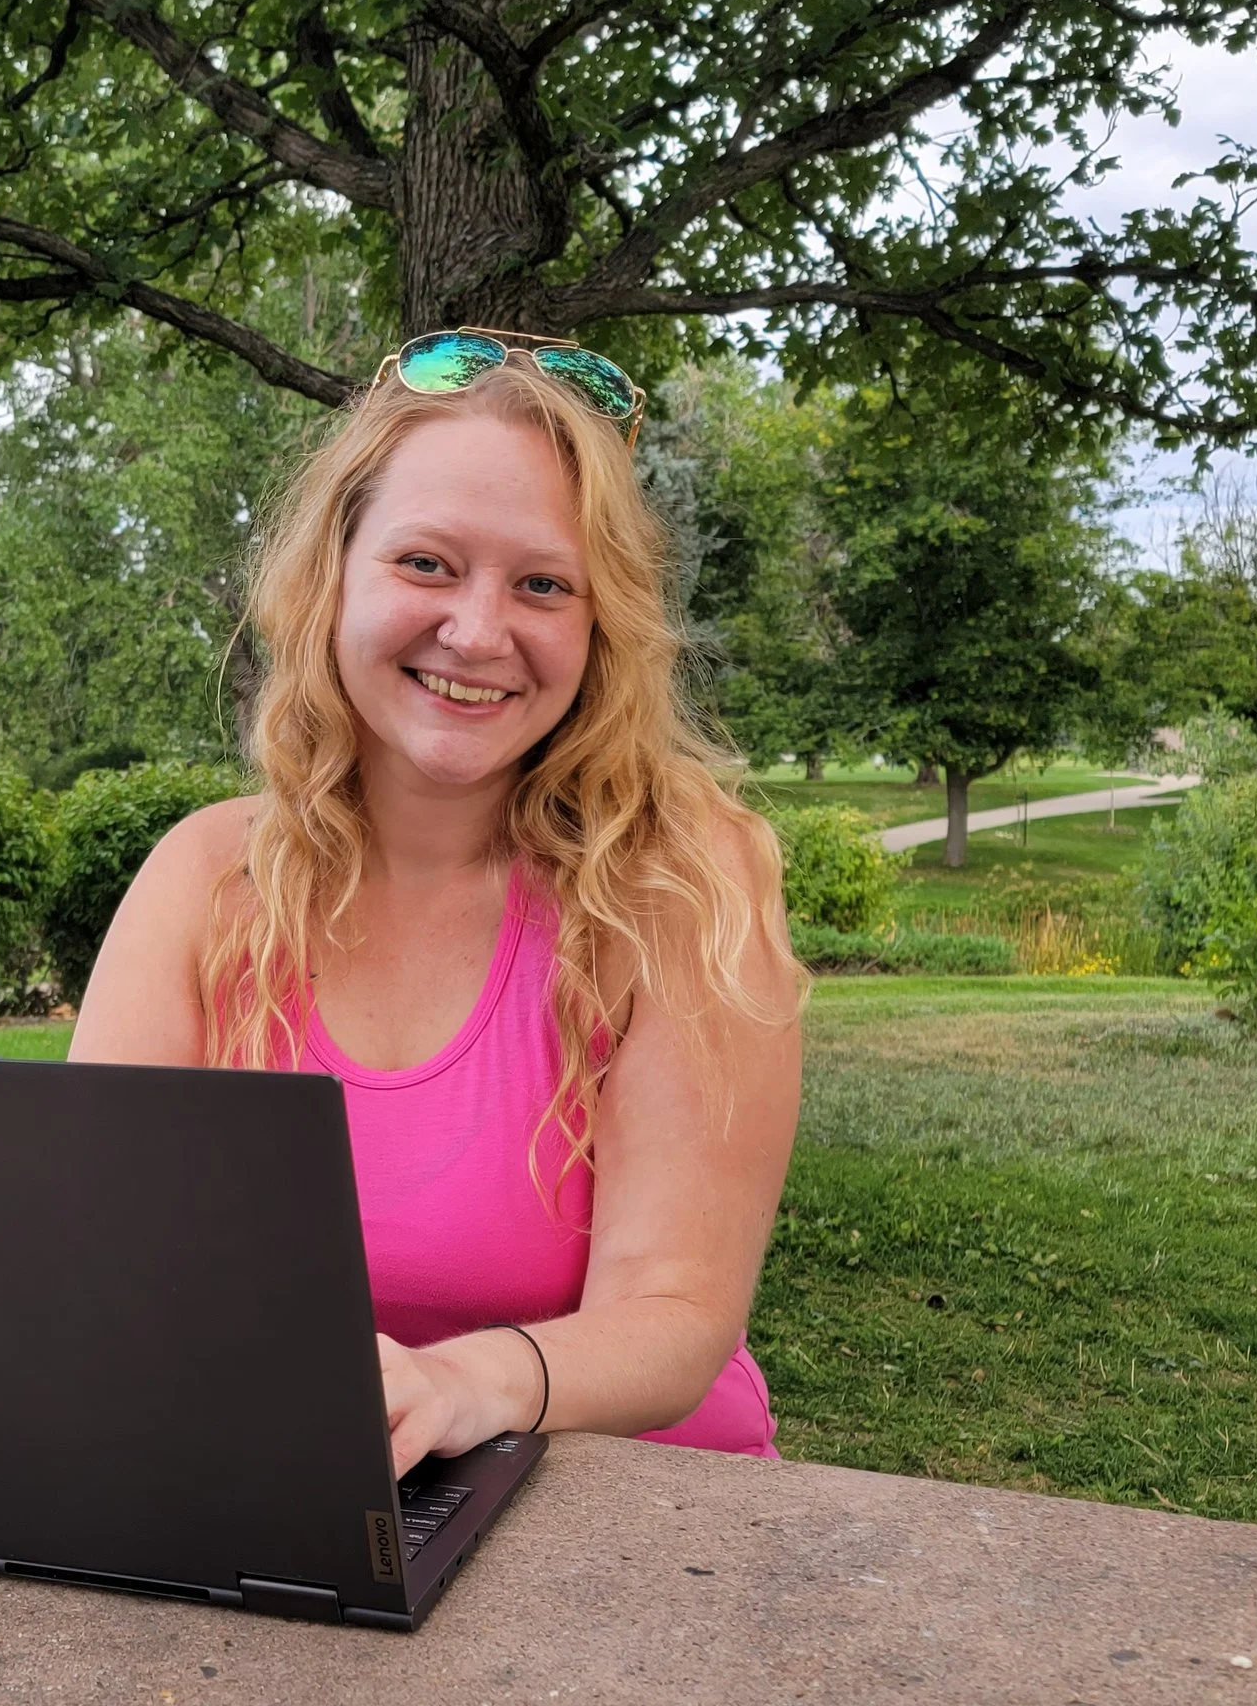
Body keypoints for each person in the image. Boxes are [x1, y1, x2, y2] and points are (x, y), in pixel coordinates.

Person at [71, 329, 804, 1482]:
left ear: (600, 623)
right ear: (332, 576)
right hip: (292, 1483)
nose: (476, 631)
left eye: (542, 585)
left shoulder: (683, 881)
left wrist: (460, 1386)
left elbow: (674, 1314)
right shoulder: (205, 877)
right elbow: (95, 1247)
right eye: (425, 564)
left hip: (635, 1515)